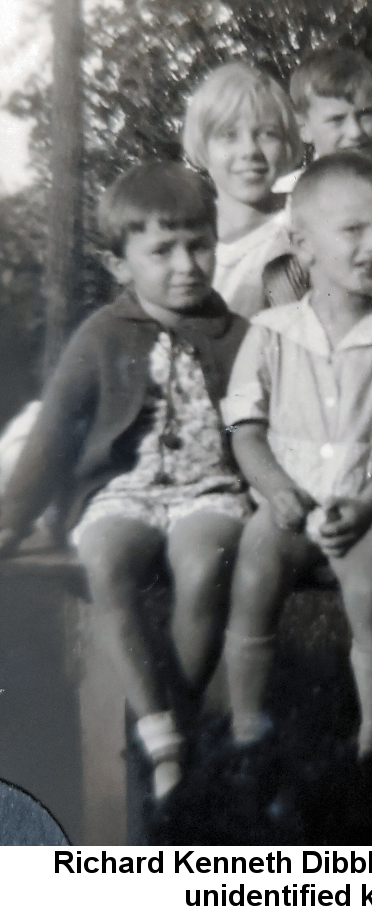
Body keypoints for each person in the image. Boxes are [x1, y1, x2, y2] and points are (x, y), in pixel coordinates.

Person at [0, 162, 252, 801]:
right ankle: (155, 725)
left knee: (205, 564)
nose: (186, 264)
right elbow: (55, 429)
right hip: (123, 490)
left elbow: (266, 426)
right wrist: (14, 516)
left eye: (200, 245)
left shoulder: (241, 336)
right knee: (105, 559)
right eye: (162, 250)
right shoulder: (102, 334)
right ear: (120, 265)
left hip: (211, 489)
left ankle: (181, 726)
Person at [219, 154, 372, 794]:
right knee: (255, 570)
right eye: (354, 231)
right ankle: (246, 728)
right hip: (288, 499)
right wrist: (277, 491)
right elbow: (244, 428)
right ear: (302, 246)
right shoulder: (271, 331)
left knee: (371, 587)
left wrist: (367, 507)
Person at [271, 45, 372, 287]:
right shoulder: (283, 197)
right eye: (337, 120)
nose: (355, 132)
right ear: (303, 127)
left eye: (365, 114)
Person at [183, 62, 305, 317]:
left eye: (267, 134)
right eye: (229, 135)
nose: (249, 151)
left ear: (286, 145)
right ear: (204, 148)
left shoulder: (303, 225)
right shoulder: (184, 235)